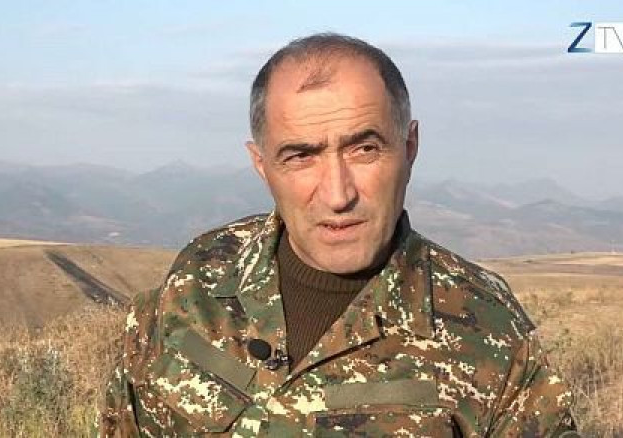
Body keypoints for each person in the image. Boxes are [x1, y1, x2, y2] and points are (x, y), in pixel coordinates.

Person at [96, 33, 578, 437]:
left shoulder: (489, 328)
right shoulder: (200, 276)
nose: (337, 193)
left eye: (364, 149)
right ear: (261, 165)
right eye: (300, 156)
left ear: (409, 147)